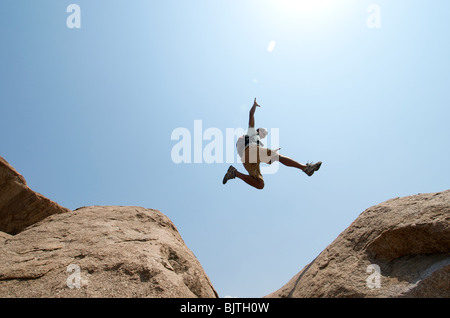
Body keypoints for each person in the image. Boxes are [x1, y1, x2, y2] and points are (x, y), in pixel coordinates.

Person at [222, 98, 322, 190]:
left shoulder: (257, 141)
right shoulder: (252, 131)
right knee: (279, 157)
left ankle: (234, 173)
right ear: (258, 130)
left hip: (247, 160)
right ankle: (305, 168)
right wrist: (254, 105)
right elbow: (251, 114)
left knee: (260, 184)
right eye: (263, 133)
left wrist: (272, 153)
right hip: (250, 151)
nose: (263, 136)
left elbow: (261, 155)